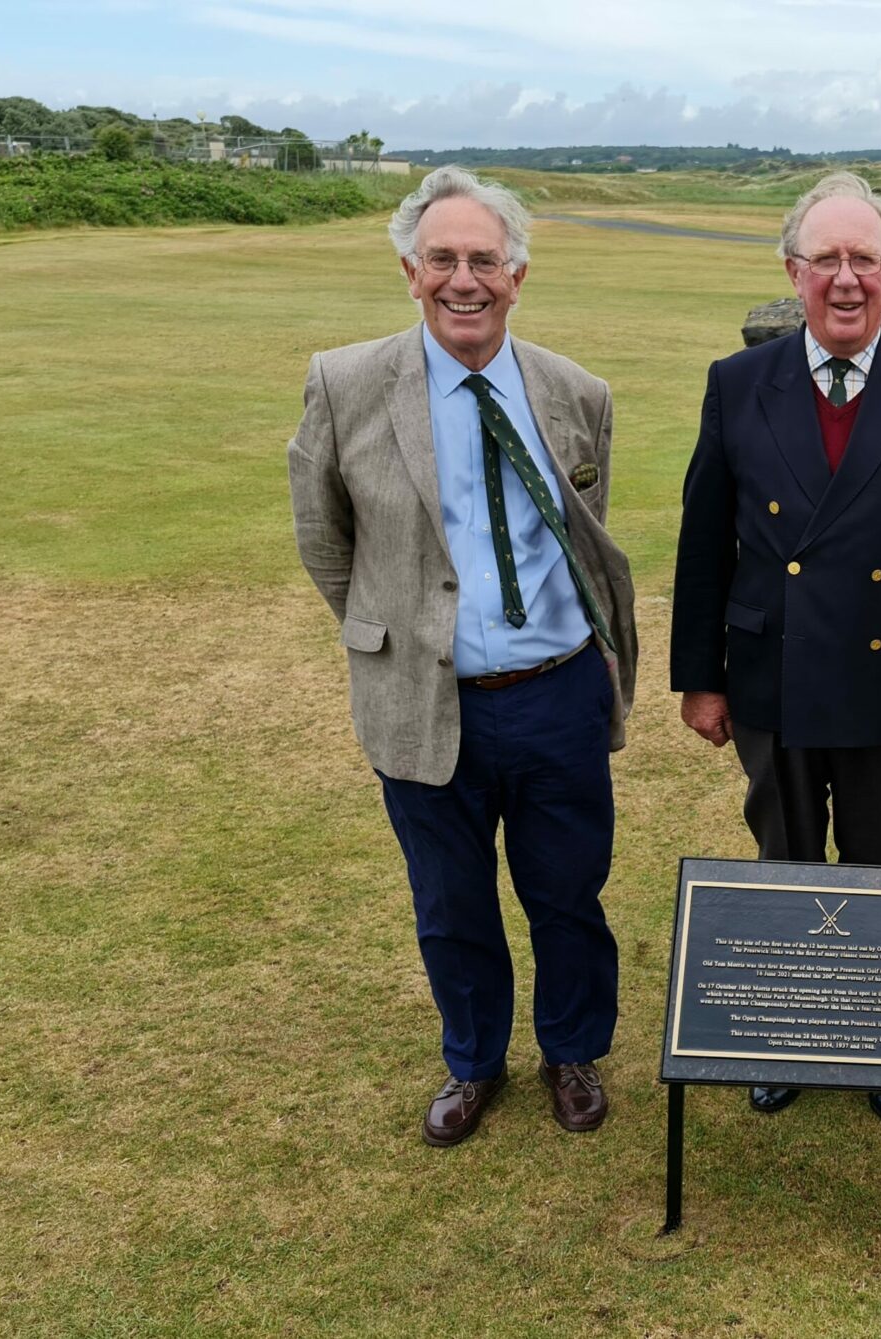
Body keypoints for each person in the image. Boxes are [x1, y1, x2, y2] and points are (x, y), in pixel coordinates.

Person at [288, 165, 638, 1149]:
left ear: (518, 275)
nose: (464, 278)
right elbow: (324, 537)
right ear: (410, 269)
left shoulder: (578, 393)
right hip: (422, 696)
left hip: (558, 692)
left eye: (485, 259)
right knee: (450, 902)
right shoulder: (345, 383)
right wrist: (389, 634)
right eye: (442, 258)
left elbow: (585, 530)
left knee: (568, 890)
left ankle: (572, 1049)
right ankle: (474, 1060)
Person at [669, 171, 881, 1125]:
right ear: (792, 272)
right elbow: (704, 541)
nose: (845, 280)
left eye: (865, 260)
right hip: (774, 670)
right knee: (786, 858)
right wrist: (700, 679)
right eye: (826, 261)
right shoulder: (738, 383)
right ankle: (783, 1035)